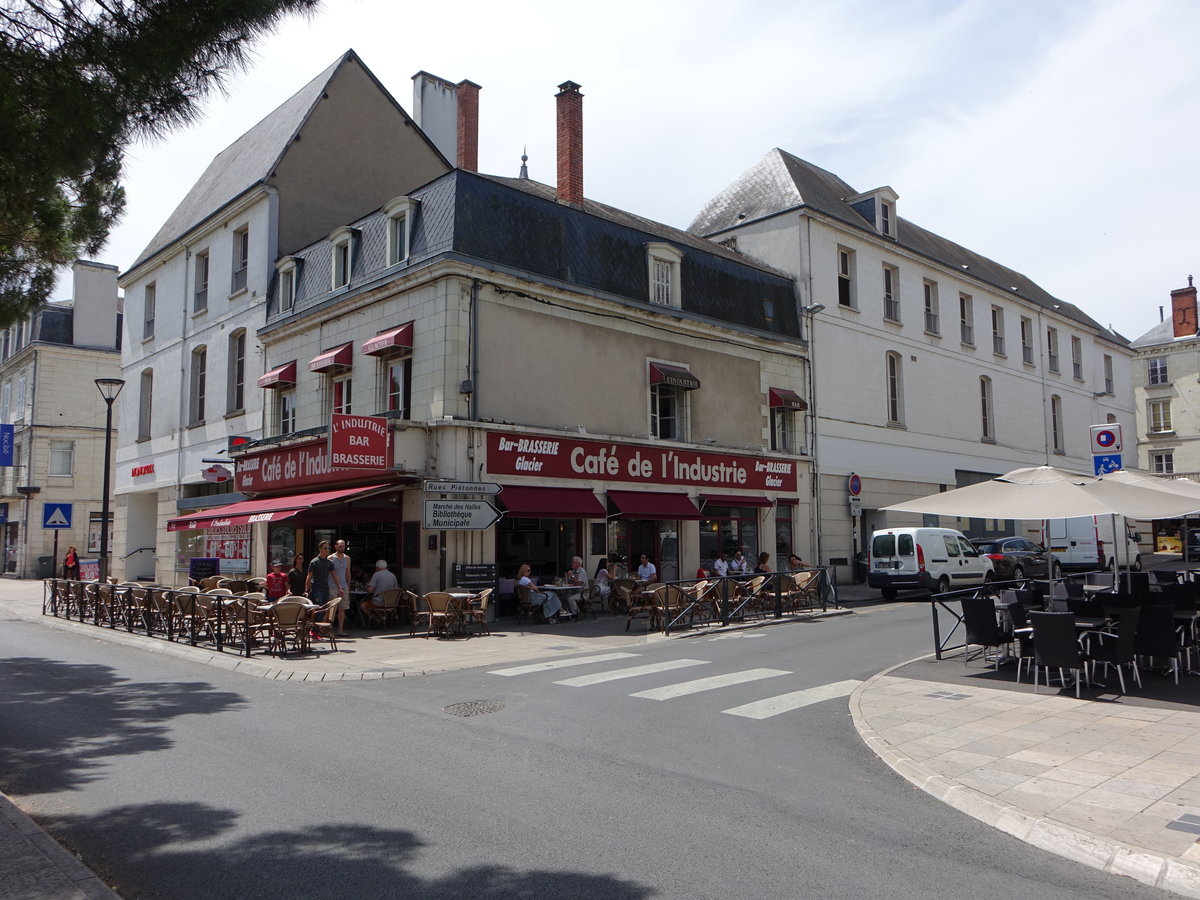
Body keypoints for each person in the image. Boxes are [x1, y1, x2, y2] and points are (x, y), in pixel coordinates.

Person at [329, 539, 351, 636]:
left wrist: (348, 585)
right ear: (336, 546)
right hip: (332, 586)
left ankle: (340, 630)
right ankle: (328, 629)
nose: (342, 547)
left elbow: (348, 572)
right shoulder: (330, 558)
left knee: (342, 609)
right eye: (340, 545)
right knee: (332, 608)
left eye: (343, 545)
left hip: (344, 586)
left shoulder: (347, 558)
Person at [304, 541, 335, 605]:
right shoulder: (314, 562)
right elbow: (309, 577)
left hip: (326, 589)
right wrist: (306, 590)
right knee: (318, 608)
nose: (327, 550)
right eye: (325, 548)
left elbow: (334, 576)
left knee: (325, 608)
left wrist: (339, 587)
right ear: (320, 549)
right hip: (316, 589)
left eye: (328, 548)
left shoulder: (330, 562)